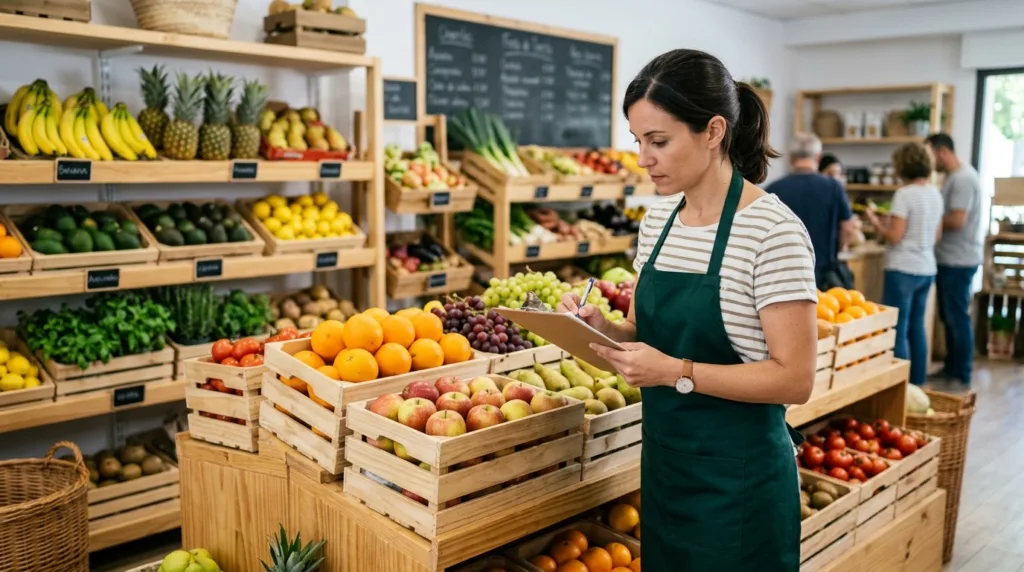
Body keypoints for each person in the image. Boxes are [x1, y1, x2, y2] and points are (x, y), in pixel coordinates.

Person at [557, 49, 817, 571]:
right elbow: (651, 336)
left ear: (713, 131)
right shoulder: (657, 224)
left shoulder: (773, 232)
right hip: (665, 471)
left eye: (659, 142)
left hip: (738, 486)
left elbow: (795, 380)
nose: (643, 158)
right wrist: (606, 329)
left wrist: (676, 373)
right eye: (638, 142)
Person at [865, 142, 944, 386]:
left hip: (902, 268)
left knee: (897, 328)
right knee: (917, 328)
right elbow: (936, 235)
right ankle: (917, 384)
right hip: (926, 267)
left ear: (902, 165)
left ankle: (899, 386)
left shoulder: (904, 194)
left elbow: (895, 237)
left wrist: (875, 222)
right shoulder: (935, 193)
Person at [926, 133, 982, 385]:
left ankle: (960, 372)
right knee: (951, 316)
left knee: (956, 316)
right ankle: (953, 368)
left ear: (941, 152)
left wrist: (929, 222)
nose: (929, 161)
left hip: (958, 260)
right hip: (954, 257)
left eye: (930, 154)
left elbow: (957, 220)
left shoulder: (962, 180)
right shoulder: (957, 177)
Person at [767, 133, 856, 289]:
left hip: (784, 274)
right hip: (823, 273)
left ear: (791, 158)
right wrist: (841, 248)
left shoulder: (773, 189)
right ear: (818, 157)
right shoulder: (834, 187)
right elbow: (848, 228)